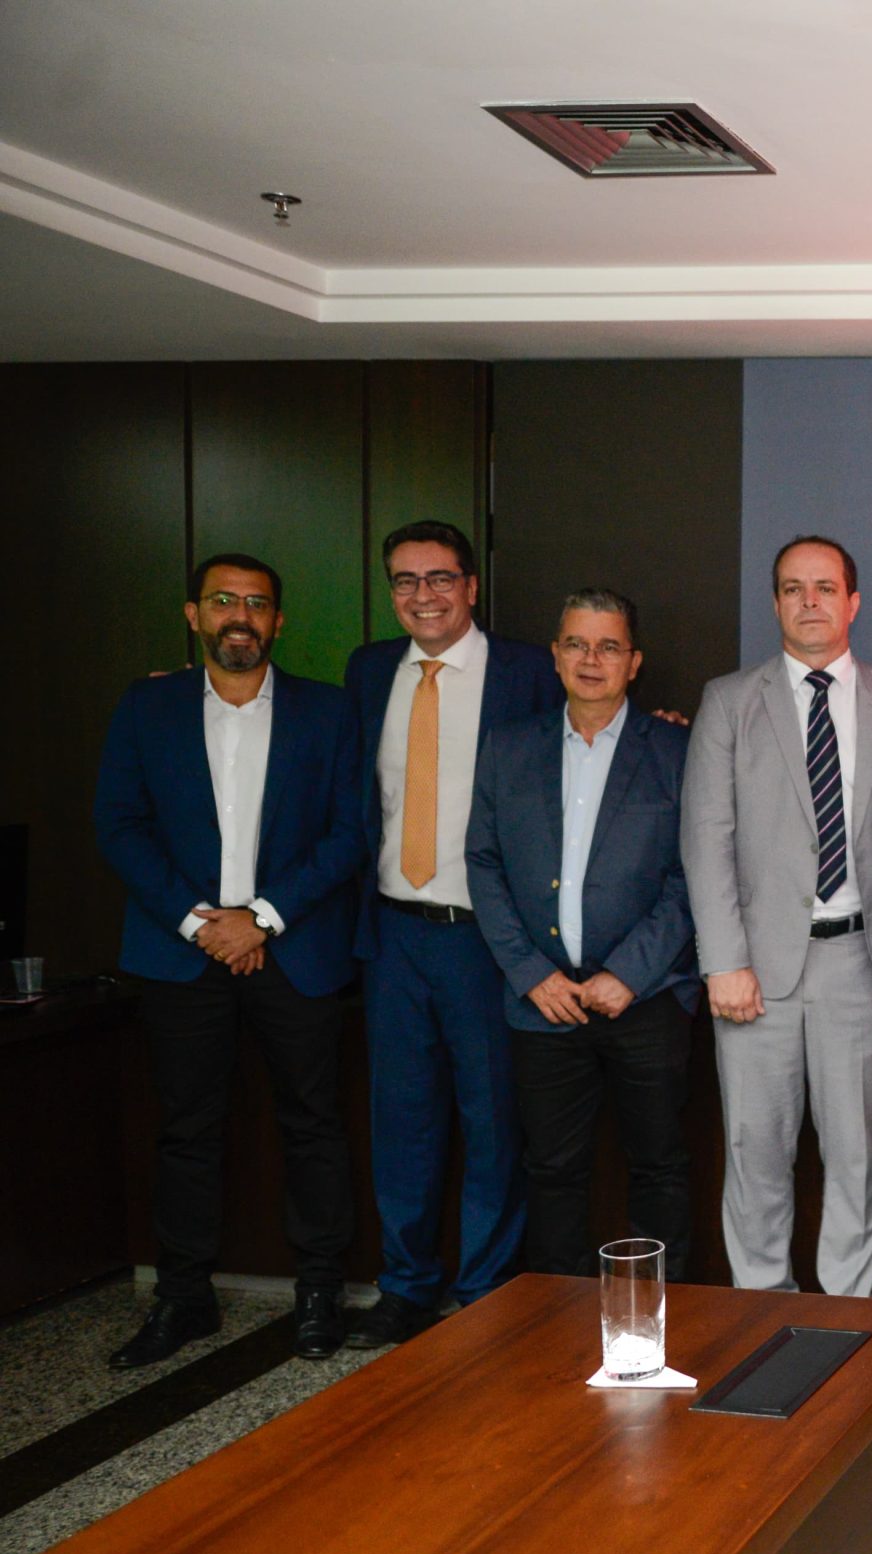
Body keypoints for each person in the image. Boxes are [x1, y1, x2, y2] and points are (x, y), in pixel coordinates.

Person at [94, 554, 365, 1366]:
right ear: (194, 614)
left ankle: (319, 1292)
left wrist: (262, 919)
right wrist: (199, 923)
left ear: (279, 620)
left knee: (314, 1125)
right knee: (185, 1129)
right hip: (183, 953)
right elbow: (119, 823)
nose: (239, 615)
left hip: (295, 949)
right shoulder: (146, 706)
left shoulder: (330, 711)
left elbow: (351, 831)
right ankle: (184, 1296)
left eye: (256, 602)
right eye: (223, 600)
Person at [683, 536, 872, 1295]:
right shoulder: (729, 700)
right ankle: (760, 1306)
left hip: (860, 964)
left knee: (857, 1155)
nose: (810, 601)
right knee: (755, 1150)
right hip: (754, 969)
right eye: (793, 588)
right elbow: (705, 836)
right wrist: (724, 961)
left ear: (852, 602)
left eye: (825, 587)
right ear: (775, 603)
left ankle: (848, 1316)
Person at [343, 521, 563, 1348]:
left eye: (440, 578)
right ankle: (405, 1285)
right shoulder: (369, 670)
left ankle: (484, 1292)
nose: (423, 595)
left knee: (491, 1120)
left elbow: (587, 741)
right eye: (405, 580)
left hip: (486, 937)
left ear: (471, 586)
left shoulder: (526, 671)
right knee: (401, 1120)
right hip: (392, 932)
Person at [465, 589, 698, 1281]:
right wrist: (530, 973)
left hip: (646, 999)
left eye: (608, 646)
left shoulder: (678, 750)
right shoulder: (508, 747)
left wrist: (629, 972)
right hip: (544, 1001)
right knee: (552, 1170)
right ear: (555, 655)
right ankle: (556, 1321)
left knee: (659, 1165)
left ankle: (660, 1315)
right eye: (576, 643)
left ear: (634, 662)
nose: (591, 659)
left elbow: (696, 874)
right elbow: (483, 863)